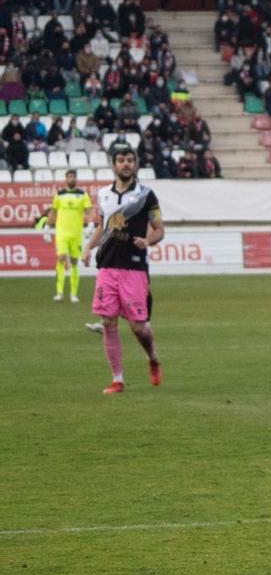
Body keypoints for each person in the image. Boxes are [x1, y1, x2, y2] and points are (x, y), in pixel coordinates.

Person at [82, 143, 165, 395]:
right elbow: (101, 227)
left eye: (130, 159)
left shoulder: (146, 195)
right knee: (108, 321)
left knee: (139, 327)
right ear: (114, 164)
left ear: (135, 163)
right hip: (107, 265)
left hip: (134, 267)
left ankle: (152, 357)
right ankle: (117, 379)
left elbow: (160, 230)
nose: (126, 163)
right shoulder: (103, 194)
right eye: (121, 160)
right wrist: (88, 248)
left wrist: (147, 240)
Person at [38, 167, 93, 303]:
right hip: (61, 232)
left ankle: (74, 294)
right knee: (62, 258)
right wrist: (47, 228)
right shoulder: (59, 194)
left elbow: (89, 211)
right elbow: (53, 212)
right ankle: (59, 292)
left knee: (74, 262)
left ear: (76, 179)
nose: (71, 179)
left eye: (73, 176)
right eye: (69, 176)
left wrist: (90, 224)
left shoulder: (82, 194)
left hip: (76, 233)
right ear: (66, 179)